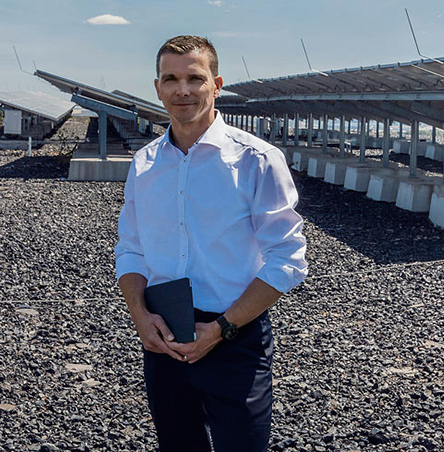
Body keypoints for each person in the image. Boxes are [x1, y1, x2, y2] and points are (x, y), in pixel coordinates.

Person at [114, 35, 308, 451]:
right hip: (163, 334)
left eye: (195, 78)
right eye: (171, 79)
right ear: (157, 87)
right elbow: (131, 248)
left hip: (235, 336)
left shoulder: (256, 159)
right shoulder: (145, 163)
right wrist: (140, 316)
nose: (182, 90)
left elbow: (288, 258)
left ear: (216, 85)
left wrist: (221, 329)